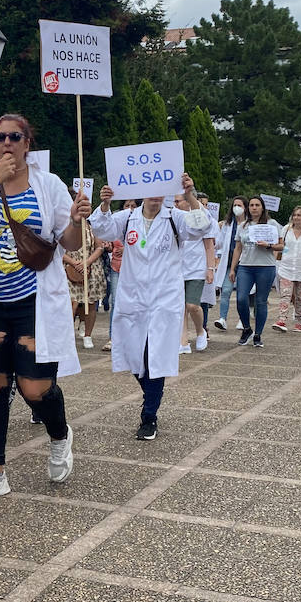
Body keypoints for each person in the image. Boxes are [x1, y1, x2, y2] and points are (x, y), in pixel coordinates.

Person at [0, 114, 90, 501]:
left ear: (28, 143)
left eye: (16, 136)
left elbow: (69, 241)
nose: (8, 143)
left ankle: (60, 435)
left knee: (34, 388)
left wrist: (78, 220)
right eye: (0, 137)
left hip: (34, 303)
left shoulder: (48, 185)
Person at [91, 178, 211, 440]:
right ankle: (151, 394)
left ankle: (149, 416)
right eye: (150, 192)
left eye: (161, 192)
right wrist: (105, 203)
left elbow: (203, 226)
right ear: (141, 193)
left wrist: (190, 195)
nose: (155, 197)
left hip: (164, 298)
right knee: (133, 354)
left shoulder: (175, 218)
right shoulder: (128, 217)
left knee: (155, 357)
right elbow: (102, 229)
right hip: (133, 297)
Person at [227, 196, 284, 347]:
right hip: (246, 266)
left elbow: (282, 245)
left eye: (257, 205)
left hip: (265, 266)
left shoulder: (272, 224)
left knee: (261, 301)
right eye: (251, 205)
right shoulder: (243, 226)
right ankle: (247, 328)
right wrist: (233, 269)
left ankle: (258, 334)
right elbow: (238, 249)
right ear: (248, 208)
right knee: (241, 298)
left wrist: (268, 245)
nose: (254, 208)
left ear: (262, 207)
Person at [176, 192, 217, 354]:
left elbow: (209, 246)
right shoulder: (174, 218)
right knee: (180, 308)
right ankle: (183, 342)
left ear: (187, 202)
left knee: (192, 305)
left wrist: (210, 268)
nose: (176, 204)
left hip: (196, 269)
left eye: (178, 201)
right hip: (177, 270)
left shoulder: (200, 218)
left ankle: (200, 331)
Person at [63, 211, 105, 350]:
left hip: (91, 267)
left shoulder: (92, 225)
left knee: (90, 303)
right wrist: (74, 263)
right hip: (69, 267)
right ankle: (67, 336)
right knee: (70, 303)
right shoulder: (64, 224)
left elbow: (99, 247)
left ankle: (88, 335)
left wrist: (87, 262)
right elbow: (58, 249)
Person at [274, 205, 301, 332]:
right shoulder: (286, 229)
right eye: (295, 215)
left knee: (300, 298)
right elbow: (282, 246)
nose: (296, 218)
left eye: (299, 215)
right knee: (285, 295)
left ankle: (298, 320)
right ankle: (281, 320)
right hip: (286, 267)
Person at [212, 196, 248, 331]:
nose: (236, 208)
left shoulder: (249, 224)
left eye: (239, 205)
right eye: (234, 205)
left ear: (245, 207)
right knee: (226, 290)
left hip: (244, 263)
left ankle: (242, 319)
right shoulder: (227, 224)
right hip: (229, 263)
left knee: (242, 294)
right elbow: (219, 242)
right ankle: (222, 318)